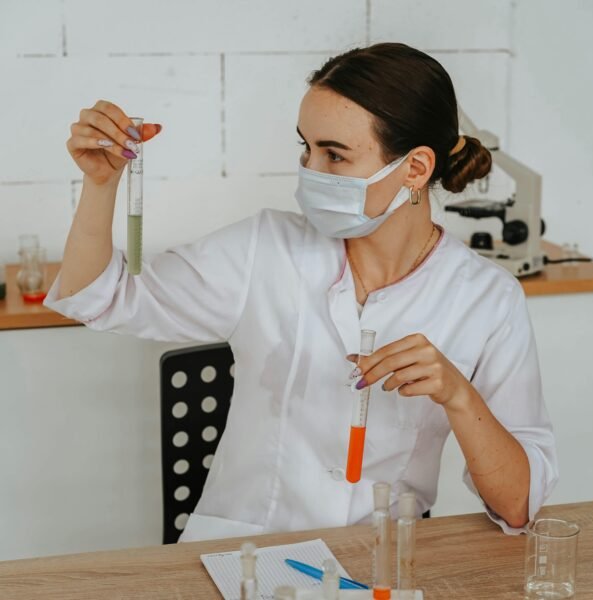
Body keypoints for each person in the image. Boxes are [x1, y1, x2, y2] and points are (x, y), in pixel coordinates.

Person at [45, 42, 558, 541]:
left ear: (416, 169)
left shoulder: (488, 299)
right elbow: (101, 296)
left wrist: (457, 395)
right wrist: (99, 185)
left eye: (335, 155)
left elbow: (517, 506)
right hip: (240, 552)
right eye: (306, 148)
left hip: (379, 558)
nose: (311, 171)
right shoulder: (263, 248)